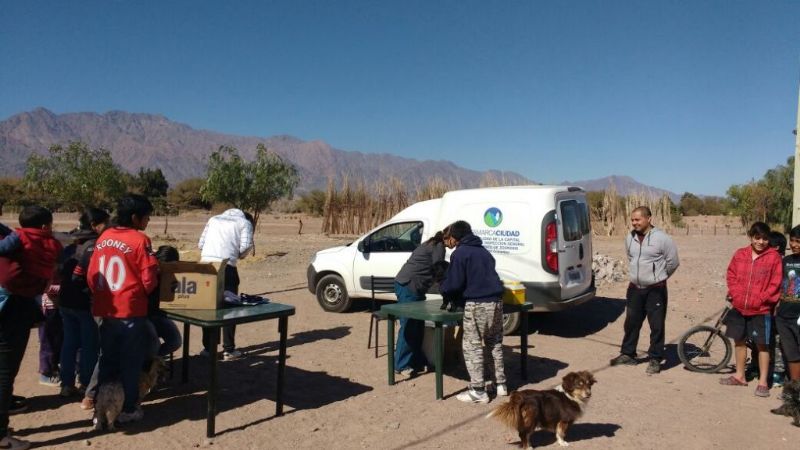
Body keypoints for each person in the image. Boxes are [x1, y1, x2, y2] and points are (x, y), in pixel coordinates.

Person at [88, 194, 159, 423]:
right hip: (130, 309)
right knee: (130, 361)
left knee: (108, 359)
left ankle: (101, 409)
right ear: (135, 218)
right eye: (147, 217)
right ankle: (128, 408)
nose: (148, 221)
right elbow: (149, 279)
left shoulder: (104, 236)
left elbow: (91, 275)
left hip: (106, 308)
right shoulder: (140, 240)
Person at [0, 206, 63, 450]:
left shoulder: (15, 236)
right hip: (13, 306)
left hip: (13, 301)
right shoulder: (42, 241)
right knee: (4, 371)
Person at [439, 220, 506, 404]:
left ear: (455, 237)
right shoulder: (484, 252)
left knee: (472, 346)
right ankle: (500, 384)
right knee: (494, 343)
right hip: (497, 303)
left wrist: (443, 287)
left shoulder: (460, 253)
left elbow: (454, 284)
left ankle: (478, 390)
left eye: (450, 237)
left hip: (477, 304)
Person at [610, 206, 680, 374]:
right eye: (632, 220)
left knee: (656, 325)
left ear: (648, 219)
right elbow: (631, 257)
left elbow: (673, 262)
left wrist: (659, 277)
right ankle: (628, 354)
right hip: (635, 288)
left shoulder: (663, 239)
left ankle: (655, 358)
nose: (634, 223)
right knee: (631, 322)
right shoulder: (630, 237)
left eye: (638, 219)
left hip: (655, 289)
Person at [719, 222, 782, 398]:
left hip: (761, 309)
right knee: (739, 341)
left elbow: (775, 283)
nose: (761, 242)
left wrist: (761, 298)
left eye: (764, 238)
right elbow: (731, 274)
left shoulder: (774, 257)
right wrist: (735, 294)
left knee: (762, 345)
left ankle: (763, 382)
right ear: (751, 237)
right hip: (739, 307)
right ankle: (740, 376)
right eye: (757, 238)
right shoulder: (740, 254)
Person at [58, 208, 108, 399]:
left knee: (69, 343)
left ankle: (66, 384)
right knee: (89, 344)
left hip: (65, 300)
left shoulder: (72, 243)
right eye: (106, 222)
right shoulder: (94, 246)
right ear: (95, 225)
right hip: (84, 303)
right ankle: (86, 383)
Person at [198, 208, 254, 361]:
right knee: (230, 308)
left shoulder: (213, 219)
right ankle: (229, 350)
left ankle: (209, 349)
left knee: (209, 307)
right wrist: (237, 255)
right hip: (227, 267)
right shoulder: (245, 223)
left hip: (206, 266)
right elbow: (246, 246)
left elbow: (201, 244)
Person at [393, 228, 445, 375]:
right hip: (410, 286)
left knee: (418, 326)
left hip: (411, 286)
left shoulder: (431, 243)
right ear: (450, 238)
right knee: (409, 326)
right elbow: (439, 270)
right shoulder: (438, 246)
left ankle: (415, 360)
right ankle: (401, 365)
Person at [776, 225, 800, 383]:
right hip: (783, 316)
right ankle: (795, 387)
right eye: (792, 240)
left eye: (798, 241)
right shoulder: (785, 261)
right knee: (791, 354)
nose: (794, 244)